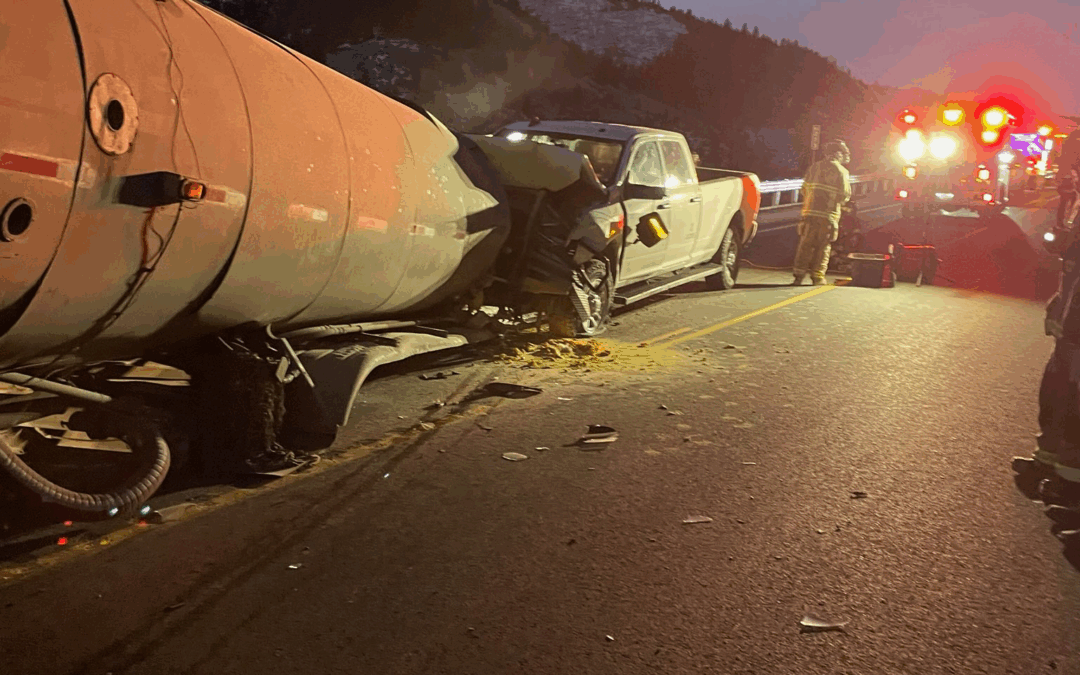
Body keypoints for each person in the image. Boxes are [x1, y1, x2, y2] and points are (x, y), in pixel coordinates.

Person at [1013, 226, 1080, 529]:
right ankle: (1050, 465)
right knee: (1053, 397)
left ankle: (1069, 487)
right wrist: (1058, 303)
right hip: (1069, 332)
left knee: (1073, 410)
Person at [792, 140, 852, 285]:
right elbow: (844, 195)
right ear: (838, 153)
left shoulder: (814, 167)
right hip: (828, 215)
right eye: (843, 153)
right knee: (823, 246)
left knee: (805, 245)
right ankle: (817, 277)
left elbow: (803, 189)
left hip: (809, 213)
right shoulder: (841, 171)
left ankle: (798, 276)